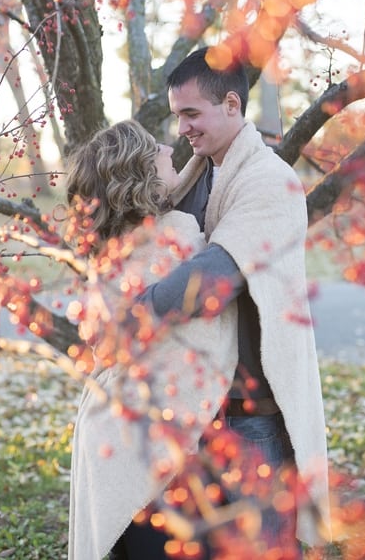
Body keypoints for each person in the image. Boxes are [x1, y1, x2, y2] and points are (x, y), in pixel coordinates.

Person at [140, 47, 330, 554]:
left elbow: (212, 278)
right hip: (197, 409)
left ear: (230, 103)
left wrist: (127, 314)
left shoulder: (270, 182)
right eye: (178, 115)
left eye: (191, 114)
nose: (182, 128)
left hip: (251, 419)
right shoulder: (200, 173)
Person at [66, 120, 241, 560]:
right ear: (142, 172)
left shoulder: (109, 252)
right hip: (162, 441)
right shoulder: (177, 234)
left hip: (107, 432)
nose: (170, 147)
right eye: (156, 149)